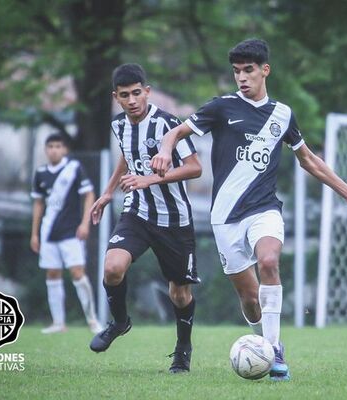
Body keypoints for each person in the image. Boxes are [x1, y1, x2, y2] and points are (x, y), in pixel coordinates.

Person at [151, 39, 347, 381]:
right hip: (224, 217)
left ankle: (274, 353)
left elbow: (310, 161)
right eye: (237, 71)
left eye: (248, 70)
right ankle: (263, 338)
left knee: (270, 262)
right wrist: (166, 151)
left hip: (264, 209)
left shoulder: (283, 114)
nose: (242, 77)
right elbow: (176, 132)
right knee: (250, 300)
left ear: (264, 70)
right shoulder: (222, 107)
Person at [88, 64, 202, 374]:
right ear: (117, 98)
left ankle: (182, 349)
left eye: (137, 93)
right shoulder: (119, 125)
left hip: (174, 220)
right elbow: (127, 154)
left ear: (147, 92)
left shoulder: (168, 124)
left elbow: (195, 168)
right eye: (125, 95)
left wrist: (150, 179)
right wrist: (109, 192)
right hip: (137, 212)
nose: (132, 100)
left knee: (179, 293)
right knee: (112, 267)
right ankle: (121, 322)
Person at [30, 133, 102, 334]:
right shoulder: (41, 173)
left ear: (65, 150)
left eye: (58, 146)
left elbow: (89, 194)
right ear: (46, 149)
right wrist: (34, 234)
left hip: (71, 231)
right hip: (48, 232)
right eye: (50, 146)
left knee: (78, 273)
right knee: (52, 273)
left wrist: (85, 223)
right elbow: (38, 203)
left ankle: (92, 320)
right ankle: (58, 323)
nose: (54, 150)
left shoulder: (73, 169)